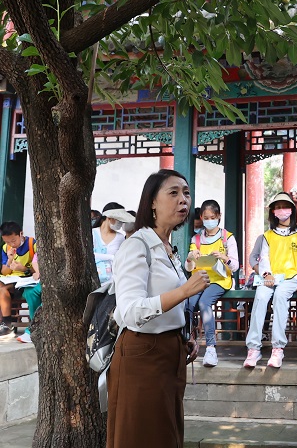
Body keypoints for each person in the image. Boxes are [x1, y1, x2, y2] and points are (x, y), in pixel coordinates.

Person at [107, 169, 210, 448]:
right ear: (152, 201)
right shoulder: (137, 246)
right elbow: (130, 311)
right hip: (143, 355)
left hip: (170, 352)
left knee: (167, 435)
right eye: (173, 193)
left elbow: (166, 302)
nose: (183, 199)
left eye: (186, 193)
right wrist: (184, 290)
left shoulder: (167, 247)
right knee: (141, 437)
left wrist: (183, 336)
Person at [244, 192, 297, 369]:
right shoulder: (268, 235)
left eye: (285, 206)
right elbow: (263, 258)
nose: (281, 210)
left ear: (292, 210)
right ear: (273, 212)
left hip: (291, 277)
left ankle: (278, 348)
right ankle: (253, 348)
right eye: (278, 207)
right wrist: (266, 275)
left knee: (280, 297)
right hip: (270, 277)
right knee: (260, 297)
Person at [185, 199, 239, 368]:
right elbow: (189, 267)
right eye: (206, 217)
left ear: (219, 216)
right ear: (201, 217)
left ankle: (210, 348)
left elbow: (235, 266)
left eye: (213, 217)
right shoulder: (196, 239)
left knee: (204, 303)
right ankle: (187, 342)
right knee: (188, 304)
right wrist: (190, 258)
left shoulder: (227, 238)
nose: (209, 221)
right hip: (199, 278)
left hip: (219, 280)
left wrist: (224, 257)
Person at [0, 222, 41, 343]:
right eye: (7, 241)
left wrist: (23, 269)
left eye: (13, 240)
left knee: (29, 292)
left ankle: (11, 324)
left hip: (28, 279)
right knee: (2, 288)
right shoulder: (6, 248)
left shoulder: (33, 244)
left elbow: (38, 268)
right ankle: (7, 324)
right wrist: (10, 260)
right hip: (12, 280)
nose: (11, 244)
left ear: (21, 234)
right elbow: (4, 272)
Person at [92, 202, 129, 285]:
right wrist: (111, 257)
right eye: (118, 220)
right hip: (93, 284)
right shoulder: (92, 234)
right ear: (109, 217)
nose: (120, 223)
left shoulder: (120, 238)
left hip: (112, 284)